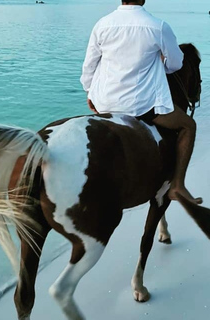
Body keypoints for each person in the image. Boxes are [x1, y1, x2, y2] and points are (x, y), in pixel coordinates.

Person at [80, 0, 202, 204]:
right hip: (141, 105)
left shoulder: (102, 24)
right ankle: (178, 186)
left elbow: (89, 66)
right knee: (188, 126)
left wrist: (90, 93)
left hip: (104, 103)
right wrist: (160, 60)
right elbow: (175, 65)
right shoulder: (158, 26)